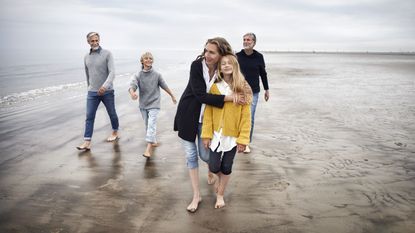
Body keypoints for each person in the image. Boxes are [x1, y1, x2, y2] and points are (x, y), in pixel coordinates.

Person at [174, 37, 246, 213]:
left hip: (210, 119)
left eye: (212, 52)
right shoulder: (196, 66)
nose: (207, 54)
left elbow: (237, 81)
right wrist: (229, 98)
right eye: (206, 50)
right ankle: (196, 195)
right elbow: (200, 95)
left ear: (221, 54)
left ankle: (214, 175)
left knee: (207, 156)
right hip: (189, 115)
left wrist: (244, 94)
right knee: (191, 156)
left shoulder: (223, 69)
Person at [201, 54, 252, 209]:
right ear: (220, 68)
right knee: (215, 166)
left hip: (233, 137)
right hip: (216, 135)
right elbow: (208, 113)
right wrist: (206, 134)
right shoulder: (215, 87)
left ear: (235, 66)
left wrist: (243, 140)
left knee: (227, 167)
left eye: (230, 63)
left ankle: (220, 194)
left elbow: (246, 117)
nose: (227, 65)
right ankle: (216, 177)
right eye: (223, 63)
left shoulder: (242, 87)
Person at [129, 52, 177, 158]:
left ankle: (148, 149)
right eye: (146, 58)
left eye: (150, 58)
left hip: (154, 103)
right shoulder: (138, 75)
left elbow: (164, 86)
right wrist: (132, 93)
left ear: (152, 60)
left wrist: (172, 96)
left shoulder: (157, 75)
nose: (148, 60)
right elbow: (133, 85)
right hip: (143, 104)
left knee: (151, 124)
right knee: (147, 125)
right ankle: (153, 141)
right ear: (142, 61)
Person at [77, 32, 119, 151]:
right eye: (92, 41)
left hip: (107, 91)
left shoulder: (107, 54)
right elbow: (87, 75)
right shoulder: (86, 57)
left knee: (112, 113)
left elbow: (112, 73)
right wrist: (89, 88)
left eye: (96, 40)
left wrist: (105, 86)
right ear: (88, 42)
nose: (95, 43)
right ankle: (87, 141)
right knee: (89, 116)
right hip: (92, 92)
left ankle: (115, 132)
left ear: (99, 40)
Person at [236, 32, 270, 153]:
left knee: (249, 117)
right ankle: (236, 139)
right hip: (238, 91)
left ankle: (245, 143)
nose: (246, 41)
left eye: (248, 40)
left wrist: (267, 89)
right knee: (237, 116)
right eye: (244, 39)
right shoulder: (237, 56)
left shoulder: (259, 57)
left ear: (254, 42)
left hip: (253, 92)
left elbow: (263, 74)